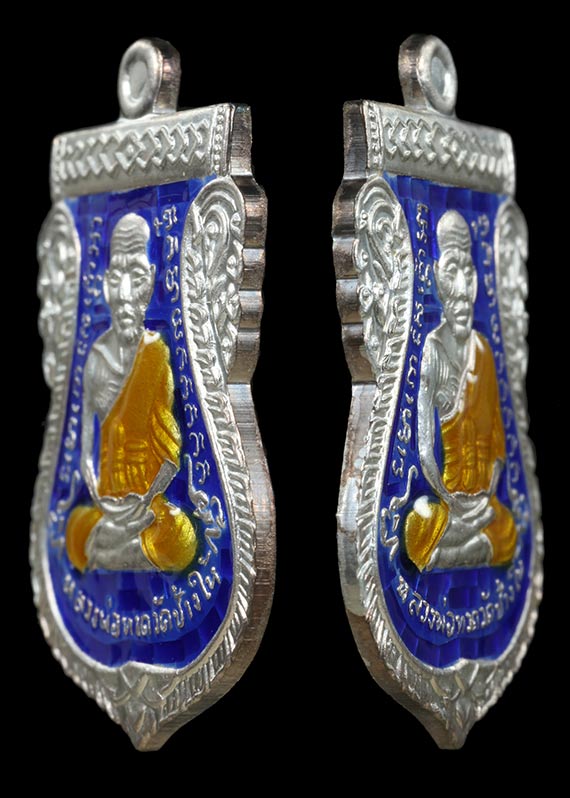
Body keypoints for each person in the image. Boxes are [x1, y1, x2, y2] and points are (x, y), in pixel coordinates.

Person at [66, 213, 197, 572]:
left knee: (179, 539)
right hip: (108, 504)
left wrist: (146, 499)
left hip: (147, 503)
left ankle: (109, 553)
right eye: (117, 280)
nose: (125, 295)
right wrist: (101, 498)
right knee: (76, 527)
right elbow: (86, 449)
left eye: (136, 279)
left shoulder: (155, 353)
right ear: (107, 285)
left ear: (150, 281)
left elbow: (170, 454)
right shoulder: (97, 358)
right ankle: (121, 550)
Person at [404, 210, 517, 571]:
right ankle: (463, 540)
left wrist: (485, 496)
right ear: (438, 277)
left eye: (469, 272)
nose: (464, 287)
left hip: (482, 502)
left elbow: (497, 444)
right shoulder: (433, 351)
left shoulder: (483, 350)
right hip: (450, 502)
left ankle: (450, 555)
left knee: (508, 529)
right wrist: (449, 500)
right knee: (418, 526)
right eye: (453, 271)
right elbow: (424, 450)